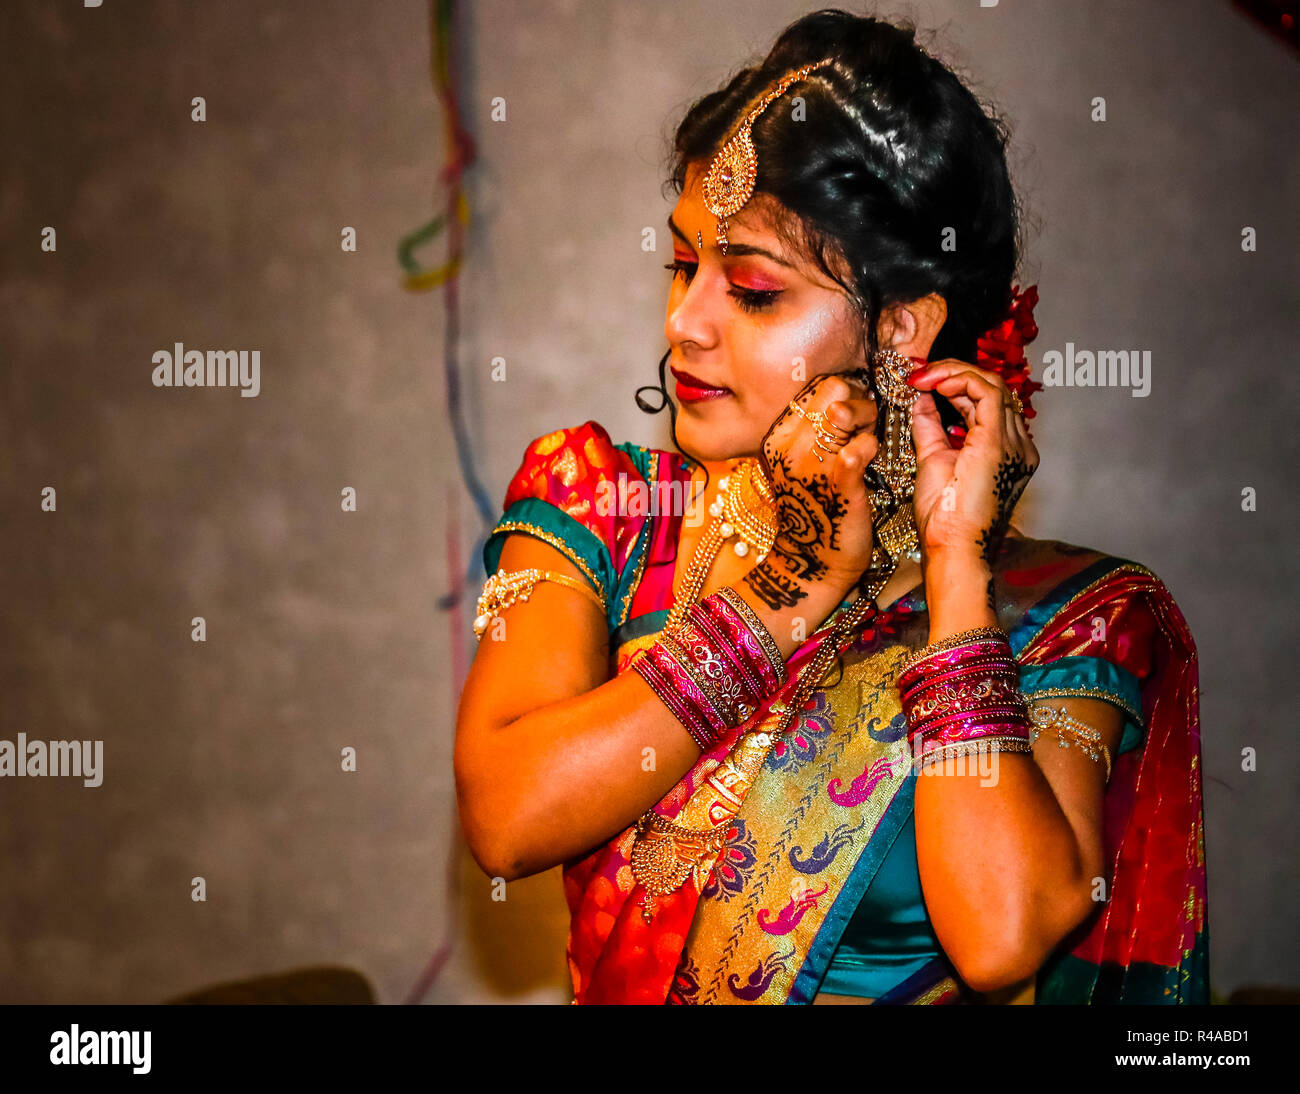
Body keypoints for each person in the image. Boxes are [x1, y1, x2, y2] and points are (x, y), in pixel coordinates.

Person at [453, 9, 1208, 1005]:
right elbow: (506, 817)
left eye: (752, 290)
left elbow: (1002, 934)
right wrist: (781, 597)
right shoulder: (601, 505)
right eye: (683, 266)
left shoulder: (1066, 615)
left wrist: (955, 580)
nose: (685, 323)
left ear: (900, 327)